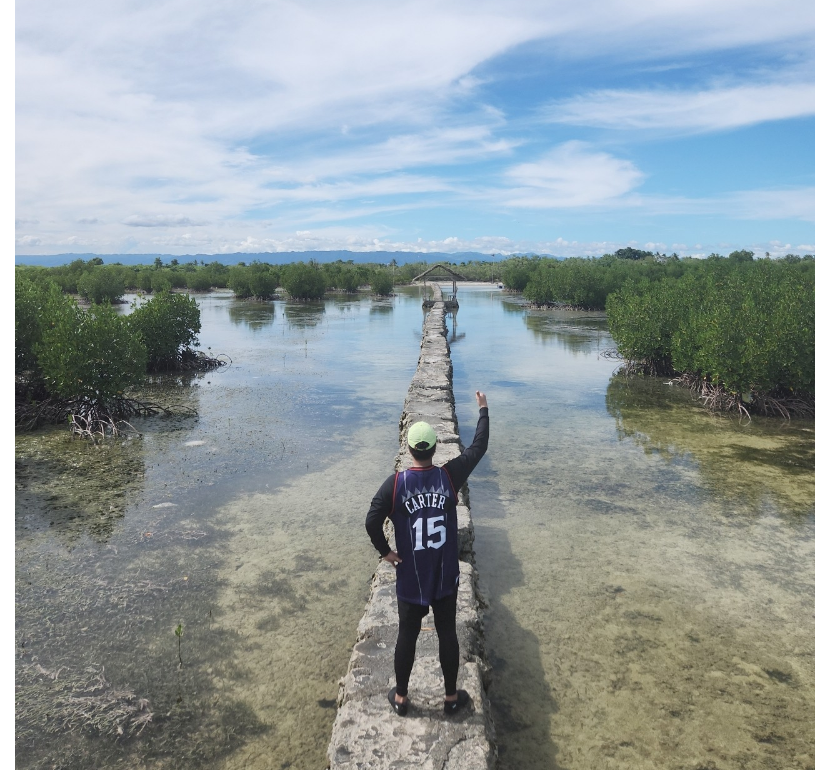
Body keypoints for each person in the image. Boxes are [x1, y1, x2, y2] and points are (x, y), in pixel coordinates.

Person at [366, 390, 489, 717]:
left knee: (407, 634)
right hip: (444, 574)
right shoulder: (449, 476)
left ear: (409, 449)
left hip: (411, 576)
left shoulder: (395, 485)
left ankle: (401, 698)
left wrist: (386, 552)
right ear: (435, 449)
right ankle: (451, 698)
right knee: (447, 632)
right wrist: (483, 410)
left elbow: (371, 521)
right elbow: (478, 447)